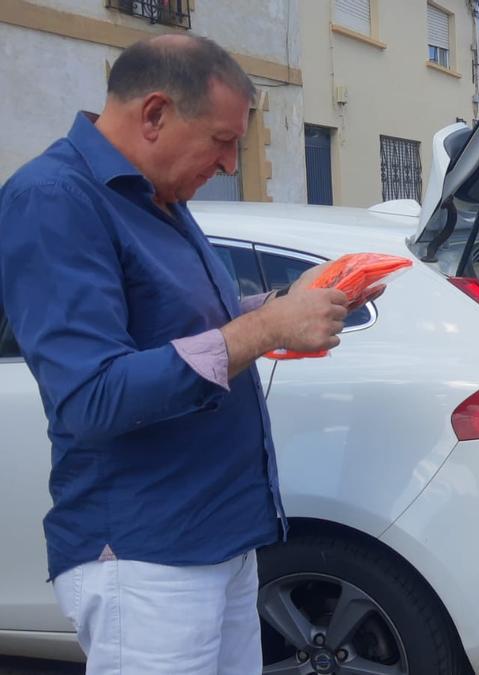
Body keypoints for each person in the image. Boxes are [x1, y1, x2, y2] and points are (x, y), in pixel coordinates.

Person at [0, 35, 359, 673]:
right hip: (147, 554)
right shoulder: (53, 198)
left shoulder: (159, 194)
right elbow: (91, 395)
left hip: (218, 536)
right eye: (222, 141)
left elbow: (191, 332)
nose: (227, 165)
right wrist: (267, 325)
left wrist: (285, 307)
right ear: (155, 114)